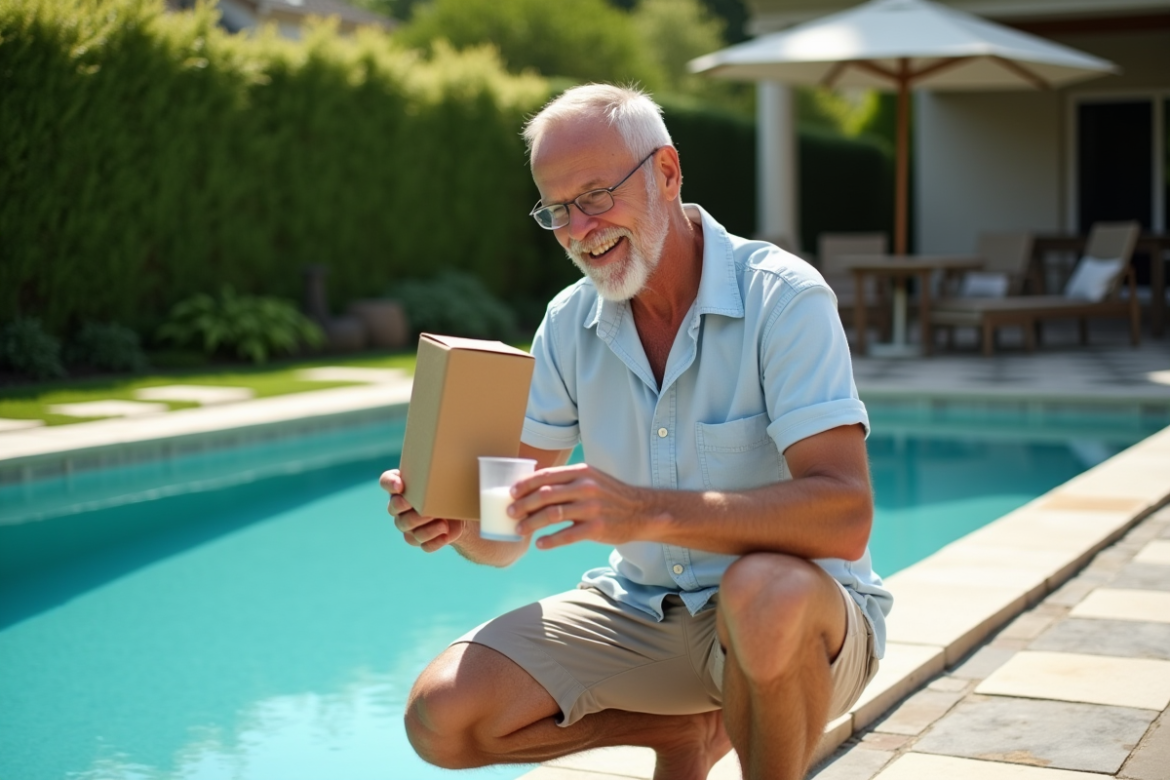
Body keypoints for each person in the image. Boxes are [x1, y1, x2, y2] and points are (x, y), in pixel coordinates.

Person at [381, 83, 892, 780]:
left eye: (595, 196)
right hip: (645, 613)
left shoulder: (783, 298)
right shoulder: (567, 323)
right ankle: (680, 734)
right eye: (557, 211)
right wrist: (453, 518)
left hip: (803, 622)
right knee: (442, 717)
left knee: (761, 594)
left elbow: (846, 516)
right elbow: (505, 532)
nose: (580, 229)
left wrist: (646, 509)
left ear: (667, 172)